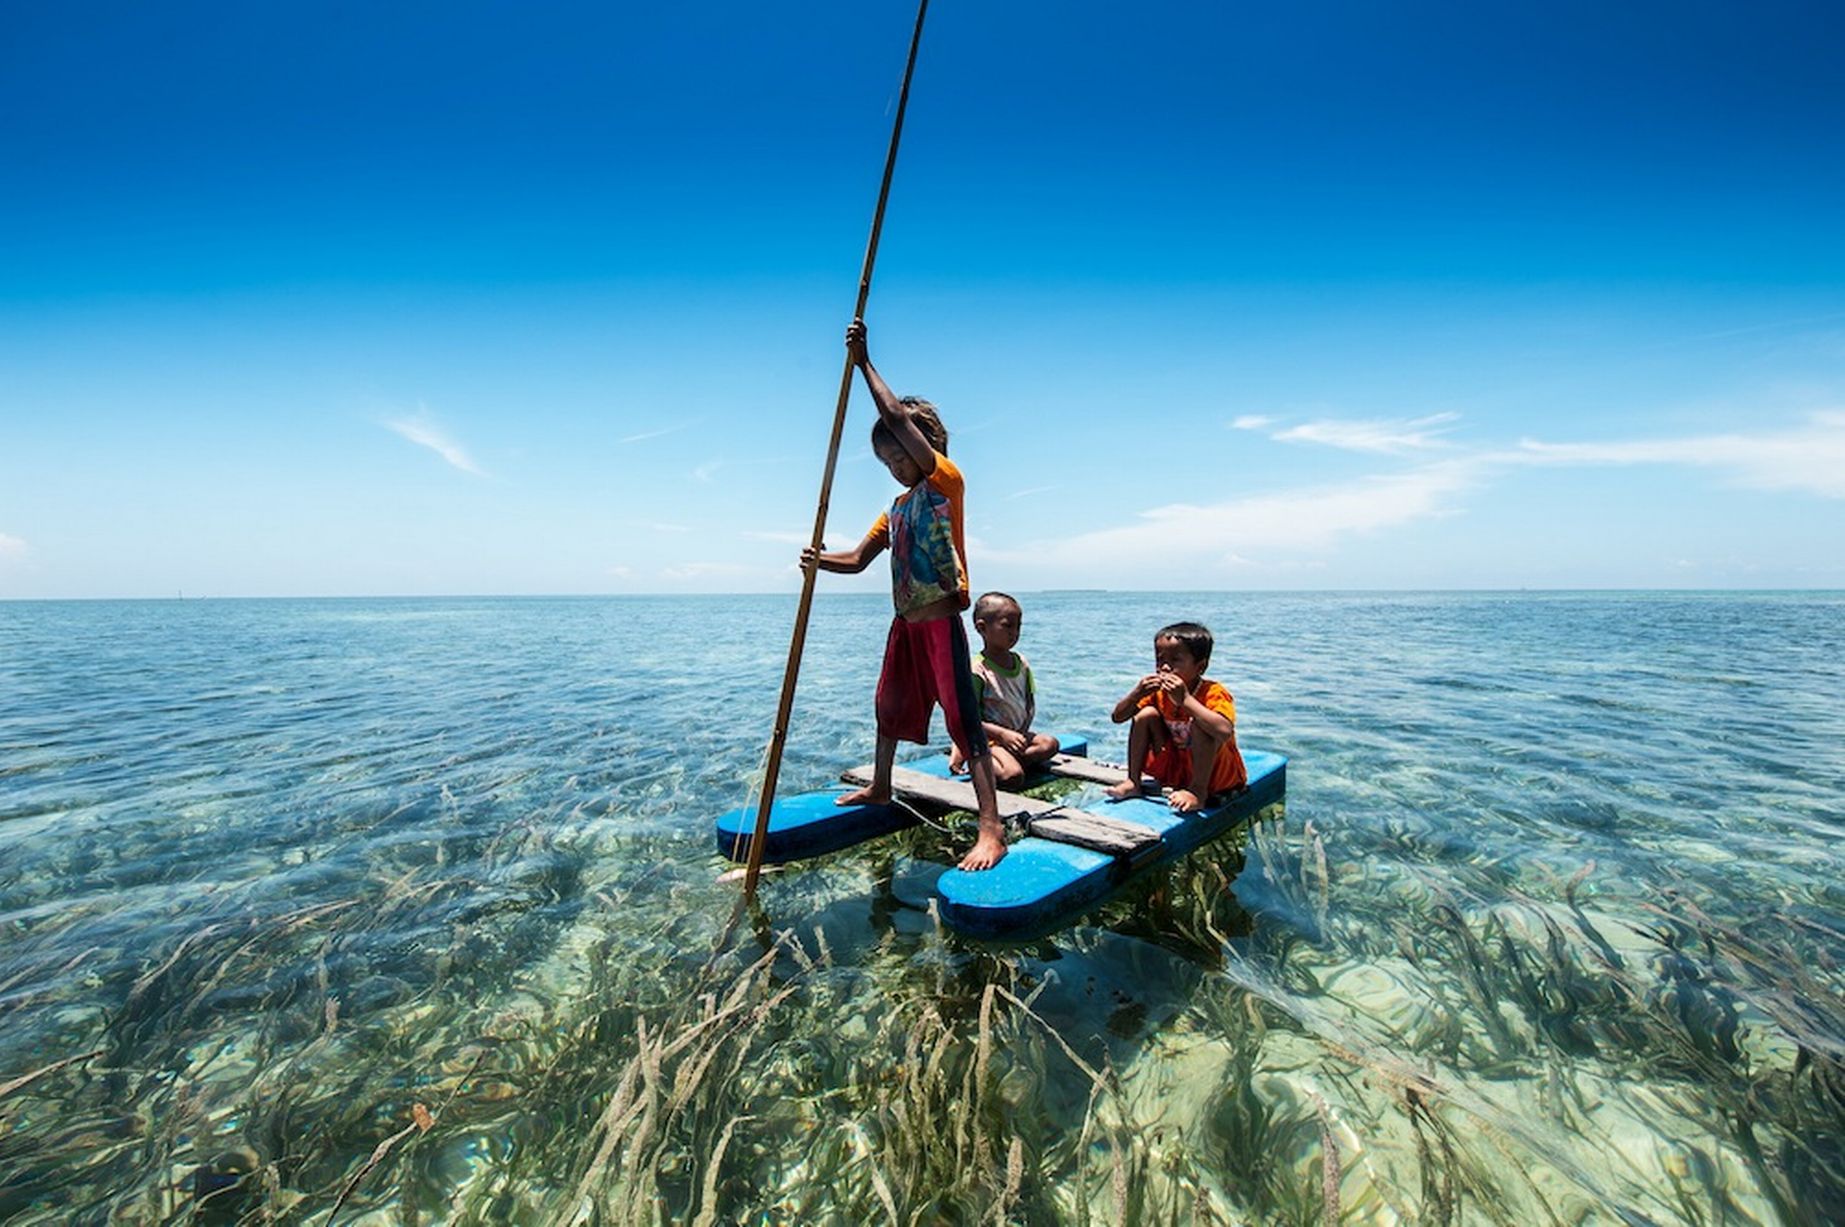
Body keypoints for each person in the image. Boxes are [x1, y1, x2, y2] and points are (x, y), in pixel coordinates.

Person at [801, 320, 1008, 870]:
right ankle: (882, 786)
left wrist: (864, 362)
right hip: (905, 625)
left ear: (928, 445)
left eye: (900, 458)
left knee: (963, 720)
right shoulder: (895, 510)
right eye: (888, 464)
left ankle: (992, 828)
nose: (896, 470)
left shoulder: (945, 481)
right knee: (888, 707)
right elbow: (855, 559)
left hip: (939, 622)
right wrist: (816, 561)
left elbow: (895, 417)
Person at [1104, 621, 1248, 813]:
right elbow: (1118, 717)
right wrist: (1136, 693)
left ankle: (1198, 793)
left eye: (1175, 660)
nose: (1164, 667)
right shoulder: (1158, 692)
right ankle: (1133, 781)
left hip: (1215, 775)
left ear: (1200, 667)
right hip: (1175, 768)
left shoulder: (1213, 692)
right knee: (1145, 715)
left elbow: (1224, 731)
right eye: (1159, 659)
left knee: (1201, 724)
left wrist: (1186, 700)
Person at [949, 592, 1061, 787]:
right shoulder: (977, 670)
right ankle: (979, 759)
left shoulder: (1021, 663)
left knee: (1049, 744)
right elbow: (968, 718)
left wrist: (1022, 729)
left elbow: (1028, 700)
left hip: (1016, 734)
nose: (1014, 632)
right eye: (1007, 626)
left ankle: (1008, 759)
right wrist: (1001, 735)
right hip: (990, 740)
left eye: (1018, 626)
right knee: (1013, 776)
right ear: (982, 628)